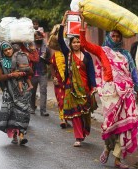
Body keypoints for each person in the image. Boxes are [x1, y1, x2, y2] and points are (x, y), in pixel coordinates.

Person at [79, 14, 138, 168]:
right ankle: (107, 148)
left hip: (126, 94)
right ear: (109, 36)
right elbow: (84, 44)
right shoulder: (102, 51)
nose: (116, 37)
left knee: (124, 127)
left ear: (121, 39)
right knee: (109, 126)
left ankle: (118, 159)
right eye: (113, 35)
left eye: (118, 36)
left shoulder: (126, 55)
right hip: (110, 95)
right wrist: (82, 28)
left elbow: (134, 77)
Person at [58, 12, 98, 147]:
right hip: (71, 87)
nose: (76, 44)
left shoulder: (87, 56)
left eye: (78, 41)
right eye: (74, 42)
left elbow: (91, 73)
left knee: (84, 113)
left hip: (85, 88)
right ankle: (78, 136)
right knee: (75, 114)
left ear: (81, 43)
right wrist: (64, 19)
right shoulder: (68, 54)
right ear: (71, 43)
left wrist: (94, 87)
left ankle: (84, 131)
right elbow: (59, 39)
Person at [0, 41, 33, 145]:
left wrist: (23, 72)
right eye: (5, 50)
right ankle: (15, 136)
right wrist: (12, 75)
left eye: (9, 49)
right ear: (2, 52)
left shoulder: (19, 58)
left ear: (12, 48)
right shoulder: (1, 63)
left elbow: (31, 72)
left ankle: (22, 135)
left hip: (22, 90)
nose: (8, 51)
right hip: (9, 91)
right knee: (12, 114)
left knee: (24, 112)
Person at [30, 31, 51, 116]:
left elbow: (49, 61)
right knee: (32, 92)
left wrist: (43, 58)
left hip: (43, 72)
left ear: (42, 37)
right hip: (32, 73)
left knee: (43, 91)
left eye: (39, 36)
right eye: (36, 37)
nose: (38, 38)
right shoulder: (31, 48)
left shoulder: (46, 48)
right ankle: (32, 108)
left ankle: (43, 110)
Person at [50, 50, 70, 128]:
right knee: (61, 101)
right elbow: (51, 65)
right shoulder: (55, 55)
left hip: (69, 81)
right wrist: (54, 77)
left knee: (67, 101)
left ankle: (67, 119)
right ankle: (63, 119)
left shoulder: (69, 53)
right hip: (59, 81)